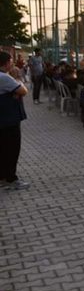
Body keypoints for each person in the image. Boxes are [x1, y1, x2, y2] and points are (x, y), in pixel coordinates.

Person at [0, 51, 29, 190]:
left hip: (4, 119)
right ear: (6, 63)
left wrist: (15, 91)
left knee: (4, 149)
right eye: (11, 61)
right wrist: (17, 89)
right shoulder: (4, 78)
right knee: (12, 149)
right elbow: (23, 91)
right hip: (8, 120)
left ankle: (3, 176)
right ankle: (11, 178)